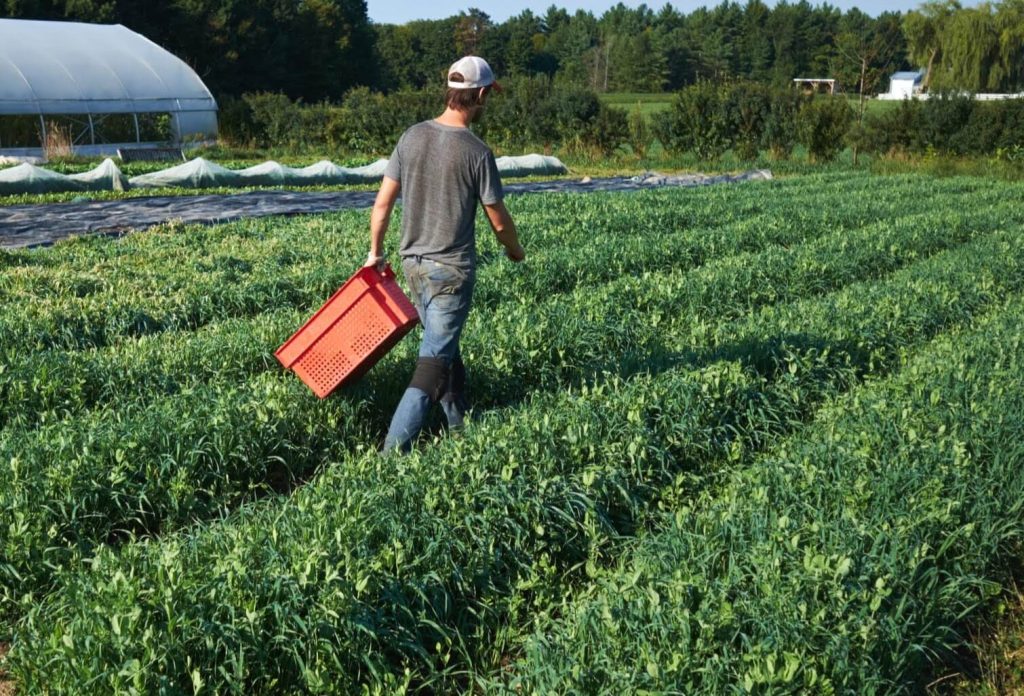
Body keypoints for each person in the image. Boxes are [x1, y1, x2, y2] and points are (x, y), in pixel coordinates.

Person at [365, 55, 526, 453]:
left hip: (412, 267)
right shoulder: (477, 152)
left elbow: (383, 204)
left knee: (444, 347)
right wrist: (515, 250)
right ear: (482, 94)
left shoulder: (411, 136)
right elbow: (499, 220)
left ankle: (460, 428)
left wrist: (375, 252)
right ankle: (390, 456)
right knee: (433, 362)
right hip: (450, 273)